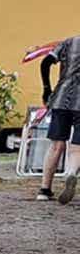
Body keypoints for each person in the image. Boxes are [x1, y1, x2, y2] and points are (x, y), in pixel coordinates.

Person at [37, 36, 80, 203]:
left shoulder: (70, 42)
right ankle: (70, 173)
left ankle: (44, 190)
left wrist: (46, 88)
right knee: (77, 147)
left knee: (56, 145)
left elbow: (45, 62)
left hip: (62, 98)